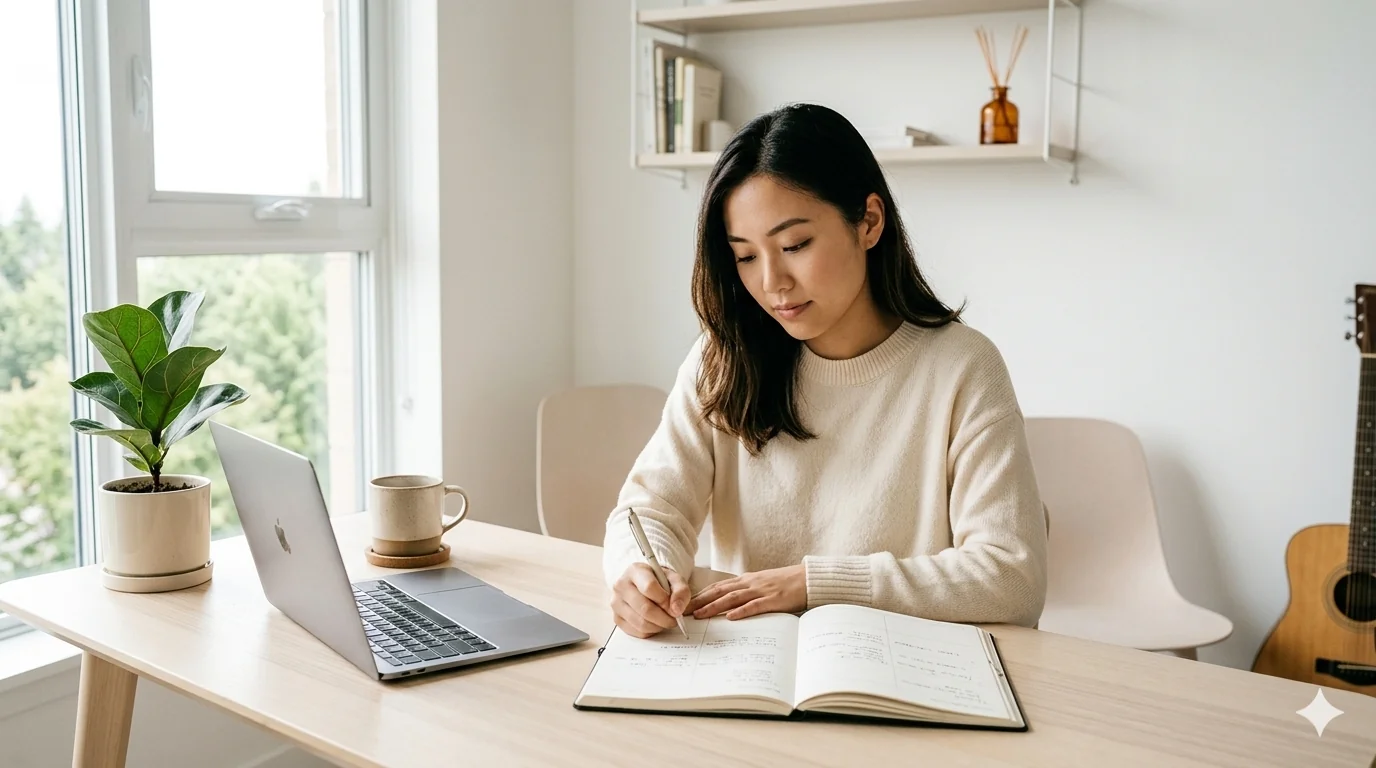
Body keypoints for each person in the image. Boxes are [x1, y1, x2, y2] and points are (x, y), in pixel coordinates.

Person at [602, 103, 1048, 639]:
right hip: (751, 666)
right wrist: (638, 573)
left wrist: (814, 584)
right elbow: (648, 510)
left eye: (794, 245)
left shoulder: (963, 368)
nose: (772, 283)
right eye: (745, 256)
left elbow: (1013, 578)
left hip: (900, 667)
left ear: (869, 222)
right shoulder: (723, 359)